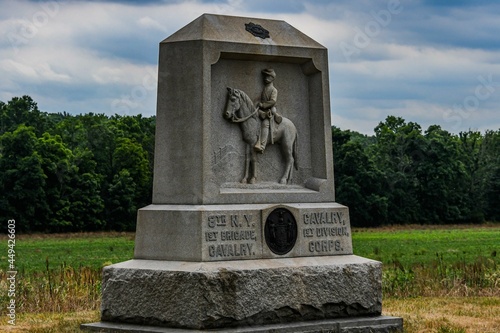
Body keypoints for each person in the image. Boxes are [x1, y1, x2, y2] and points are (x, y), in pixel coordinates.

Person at [254, 69, 282, 153]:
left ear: (272, 78)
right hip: (262, 110)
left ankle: (262, 145)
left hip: (270, 110)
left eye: (268, 76)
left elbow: (273, 101)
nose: (266, 78)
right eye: (265, 76)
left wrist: (263, 105)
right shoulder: (265, 89)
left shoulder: (274, 90)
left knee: (265, 123)